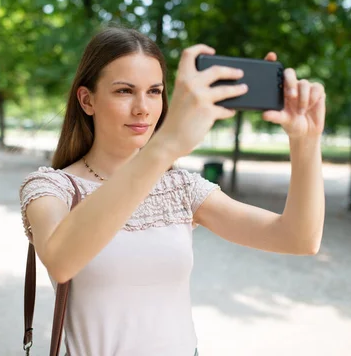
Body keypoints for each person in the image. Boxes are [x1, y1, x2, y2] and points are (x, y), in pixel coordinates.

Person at [19, 27, 326, 356]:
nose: (143, 108)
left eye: (154, 91)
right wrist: (164, 147)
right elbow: (62, 260)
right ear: (87, 99)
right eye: (124, 91)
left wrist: (305, 142)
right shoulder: (52, 188)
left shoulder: (179, 188)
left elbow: (298, 238)